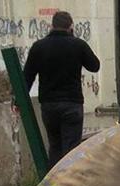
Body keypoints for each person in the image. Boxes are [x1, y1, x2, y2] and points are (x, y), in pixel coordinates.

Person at [23, 10, 100, 168]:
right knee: (72, 149)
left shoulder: (39, 47)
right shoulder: (78, 45)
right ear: (70, 26)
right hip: (72, 104)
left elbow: (27, 76)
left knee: (55, 147)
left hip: (49, 105)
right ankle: (70, 185)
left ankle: (54, 184)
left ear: (52, 26)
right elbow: (95, 66)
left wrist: (18, 101)